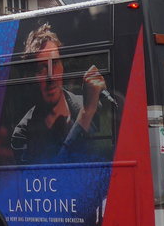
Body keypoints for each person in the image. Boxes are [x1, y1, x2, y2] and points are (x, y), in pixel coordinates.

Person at [10, 23, 112, 163]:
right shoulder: (22, 134)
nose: (51, 77)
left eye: (55, 63)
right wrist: (85, 116)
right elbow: (52, 176)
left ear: (63, 66)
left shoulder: (95, 104)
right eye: (42, 68)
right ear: (31, 77)